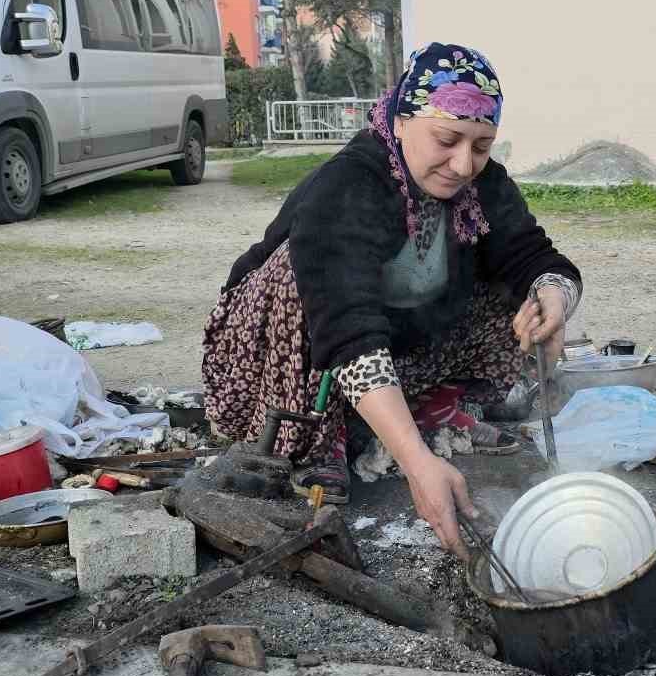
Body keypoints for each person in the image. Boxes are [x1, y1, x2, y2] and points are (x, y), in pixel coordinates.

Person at [203, 42, 581, 558]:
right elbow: (348, 329)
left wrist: (552, 297)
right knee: (297, 272)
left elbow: (532, 256)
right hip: (282, 350)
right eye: (446, 140)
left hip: (392, 340)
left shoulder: (481, 184)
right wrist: (417, 463)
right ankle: (322, 436)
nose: (463, 164)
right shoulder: (349, 183)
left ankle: (426, 407)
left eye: (481, 146)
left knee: (514, 287)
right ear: (401, 121)